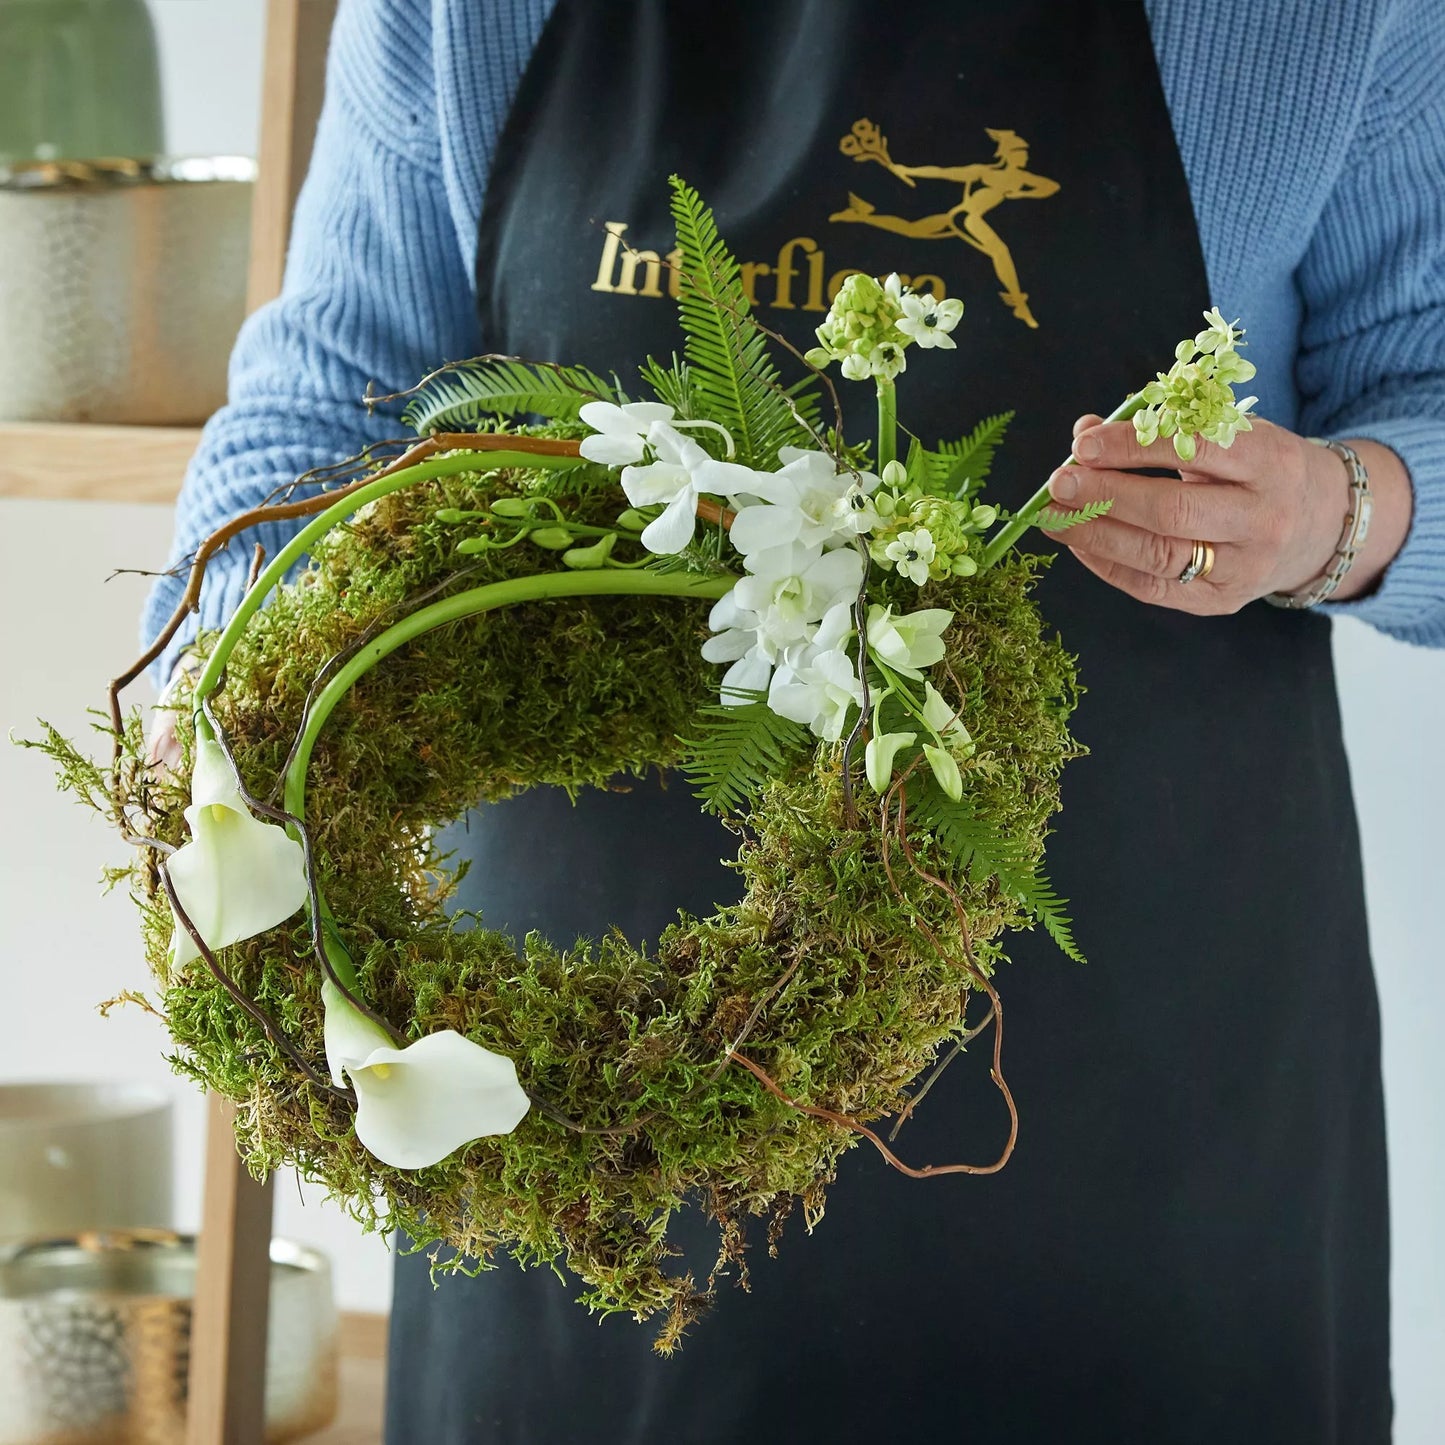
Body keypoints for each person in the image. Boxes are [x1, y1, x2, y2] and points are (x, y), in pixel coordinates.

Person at [144, 2, 1445, 1440]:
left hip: (1147, 1123)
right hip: (581, 1120)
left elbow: (1428, 390)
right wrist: (218, 696)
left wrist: (1338, 512)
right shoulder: (461, 16)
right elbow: (323, 406)